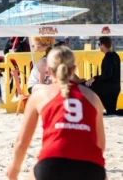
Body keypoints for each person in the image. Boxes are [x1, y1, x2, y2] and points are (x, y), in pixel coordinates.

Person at [7, 46, 106, 180]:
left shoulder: (40, 95)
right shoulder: (93, 97)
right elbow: (100, 143)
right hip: (91, 167)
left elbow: (22, 142)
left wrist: (14, 168)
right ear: (74, 69)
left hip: (53, 161)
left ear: (48, 71)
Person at [86, 36, 121, 115]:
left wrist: (94, 78)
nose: (99, 46)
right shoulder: (115, 55)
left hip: (107, 89)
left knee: (86, 86)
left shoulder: (108, 57)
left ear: (103, 45)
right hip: (115, 88)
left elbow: (107, 74)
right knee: (111, 111)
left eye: (99, 44)